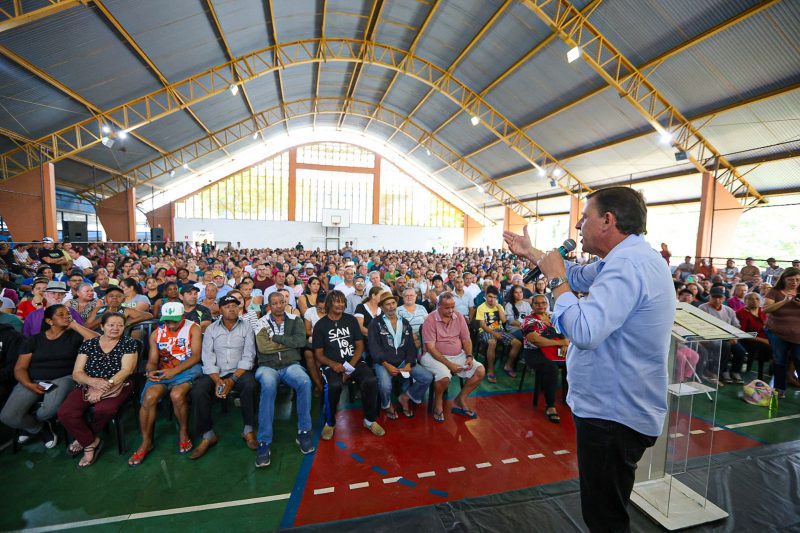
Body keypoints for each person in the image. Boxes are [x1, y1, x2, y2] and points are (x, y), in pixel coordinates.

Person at [504, 186, 674, 533]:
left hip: (613, 414)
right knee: (606, 509)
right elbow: (578, 276)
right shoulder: (627, 259)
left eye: (585, 217)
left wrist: (554, 280)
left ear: (607, 221)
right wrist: (532, 253)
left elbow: (583, 330)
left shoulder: (628, 265)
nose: (578, 227)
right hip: (615, 406)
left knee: (605, 519)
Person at [0, 305, 98, 448]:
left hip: (64, 377)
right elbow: (20, 368)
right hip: (33, 380)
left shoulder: (75, 336)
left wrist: (75, 325)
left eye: (68, 314)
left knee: (48, 410)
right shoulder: (34, 340)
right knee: (8, 416)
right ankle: (39, 428)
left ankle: (32, 422)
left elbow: (99, 342)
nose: (67, 316)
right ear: (49, 321)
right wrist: (28, 384)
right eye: (61, 314)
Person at [57, 313, 137, 467]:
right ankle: (90, 442)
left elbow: (126, 370)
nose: (115, 328)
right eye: (111, 325)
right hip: (88, 383)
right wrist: (93, 382)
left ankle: (85, 443)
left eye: (120, 325)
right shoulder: (89, 344)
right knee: (65, 412)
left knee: (105, 409)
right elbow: (77, 372)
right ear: (102, 327)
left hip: (118, 383)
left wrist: (104, 386)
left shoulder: (128, 343)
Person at [128, 302, 202, 466]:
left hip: (187, 369)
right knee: (149, 397)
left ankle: (183, 431)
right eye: (167, 320)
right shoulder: (157, 333)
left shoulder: (193, 328)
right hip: (164, 372)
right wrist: (150, 371)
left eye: (174, 320)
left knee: (177, 395)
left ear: (183, 316)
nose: (170, 324)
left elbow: (196, 356)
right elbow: (153, 360)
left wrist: (174, 371)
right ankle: (146, 441)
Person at [189, 295, 258, 460]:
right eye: (227, 306)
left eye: (234, 306)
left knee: (251, 386)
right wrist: (218, 380)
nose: (231, 309)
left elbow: (249, 357)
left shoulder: (246, 327)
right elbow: (207, 357)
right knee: (197, 391)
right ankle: (208, 434)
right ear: (220, 310)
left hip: (239, 371)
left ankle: (248, 430)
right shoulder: (212, 329)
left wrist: (232, 380)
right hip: (216, 372)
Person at [251, 292, 315, 467]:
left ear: (286, 302)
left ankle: (304, 431)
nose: (278, 305)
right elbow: (263, 347)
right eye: (274, 303)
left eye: (281, 302)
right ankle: (264, 442)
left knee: (304, 382)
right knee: (268, 385)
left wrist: (276, 339)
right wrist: (289, 342)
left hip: (290, 364)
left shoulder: (295, 319)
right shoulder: (261, 322)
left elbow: (301, 341)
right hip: (267, 366)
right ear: (268, 305)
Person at [313, 290, 383, 440]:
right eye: (337, 301)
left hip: (354, 361)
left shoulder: (350, 320)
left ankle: (370, 420)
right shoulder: (320, 325)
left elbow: (359, 346)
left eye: (342, 301)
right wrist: (333, 364)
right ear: (329, 303)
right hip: (332, 365)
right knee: (333, 386)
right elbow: (318, 354)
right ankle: (330, 423)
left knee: (370, 380)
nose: (340, 304)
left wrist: (350, 367)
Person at [420, 292, 486, 422]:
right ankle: (438, 403)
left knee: (480, 370)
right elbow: (431, 348)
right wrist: (449, 365)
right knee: (444, 376)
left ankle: (460, 399)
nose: (451, 310)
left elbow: (466, 340)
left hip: (457, 355)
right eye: (446, 307)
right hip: (432, 356)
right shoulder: (430, 319)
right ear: (438, 305)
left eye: (453, 306)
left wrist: (469, 356)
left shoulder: (459, 317)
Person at [369, 291, 433, 419]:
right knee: (386, 385)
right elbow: (373, 348)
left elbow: (410, 346)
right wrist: (386, 365)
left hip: (403, 361)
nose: (391, 306)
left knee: (427, 377)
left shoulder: (404, 322)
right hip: (384, 362)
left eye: (393, 303)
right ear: (381, 307)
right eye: (387, 304)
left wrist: (409, 363)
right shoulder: (375, 323)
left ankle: (405, 397)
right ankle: (386, 405)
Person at [521, 294, 569, 423]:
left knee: (577, 362)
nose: (541, 305)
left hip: (555, 350)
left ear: (547, 304)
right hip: (534, 353)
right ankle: (550, 406)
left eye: (543, 303)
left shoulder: (553, 317)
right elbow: (536, 340)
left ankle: (572, 397)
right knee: (551, 368)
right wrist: (560, 343)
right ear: (532, 305)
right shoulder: (529, 320)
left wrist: (565, 341)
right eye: (537, 303)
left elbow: (566, 332)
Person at [763, 267, 800, 398]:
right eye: (791, 279)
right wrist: (784, 301)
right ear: (784, 279)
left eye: (797, 280)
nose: (794, 282)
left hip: (797, 334)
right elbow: (766, 309)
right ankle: (779, 388)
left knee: (799, 359)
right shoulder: (775, 292)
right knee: (780, 360)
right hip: (777, 332)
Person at [699, 286, 745, 384]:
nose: (717, 300)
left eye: (720, 298)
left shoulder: (729, 310)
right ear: (710, 297)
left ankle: (735, 371)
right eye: (714, 297)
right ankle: (721, 372)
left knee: (741, 351)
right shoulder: (703, 308)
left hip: (728, 336)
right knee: (725, 346)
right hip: (711, 337)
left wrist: (734, 336)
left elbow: (736, 325)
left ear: (724, 299)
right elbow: (701, 325)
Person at [476, 285, 521, 382]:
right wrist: (494, 333)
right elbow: (483, 325)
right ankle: (490, 370)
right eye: (490, 297)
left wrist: (498, 307)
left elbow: (504, 320)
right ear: (486, 296)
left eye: (495, 297)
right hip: (486, 331)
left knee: (517, 343)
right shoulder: (481, 308)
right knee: (492, 342)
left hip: (499, 330)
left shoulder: (499, 306)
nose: (492, 299)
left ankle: (508, 366)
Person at [84, 285, 153, 331]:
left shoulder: (126, 310)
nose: (114, 298)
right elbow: (86, 327)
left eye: (118, 296)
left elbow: (148, 315)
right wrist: (103, 317)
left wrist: (128, 322)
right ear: (105, 299)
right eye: (111, 296)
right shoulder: (98, 309)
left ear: (123, 300)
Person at [736, 292, 772, 378]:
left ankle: (775, 369)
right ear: (745, 301)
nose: (754, 301)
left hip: (766, 337)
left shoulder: (762, 310)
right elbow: (742, 333)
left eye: (757, 299)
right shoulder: (741, 312)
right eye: (751, 299)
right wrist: (764, 340)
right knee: (769, 347)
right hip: (749, 340)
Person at [397, 287, 428, 351]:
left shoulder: (422, 308)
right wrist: (413, 336)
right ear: (403, 297)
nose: (409, 297)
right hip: (407, 339)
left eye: (411, 295)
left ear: (416, 296)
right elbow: (397, 327)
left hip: (423, 337)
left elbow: (428, 323)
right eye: (406, 295)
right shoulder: (398, 310)